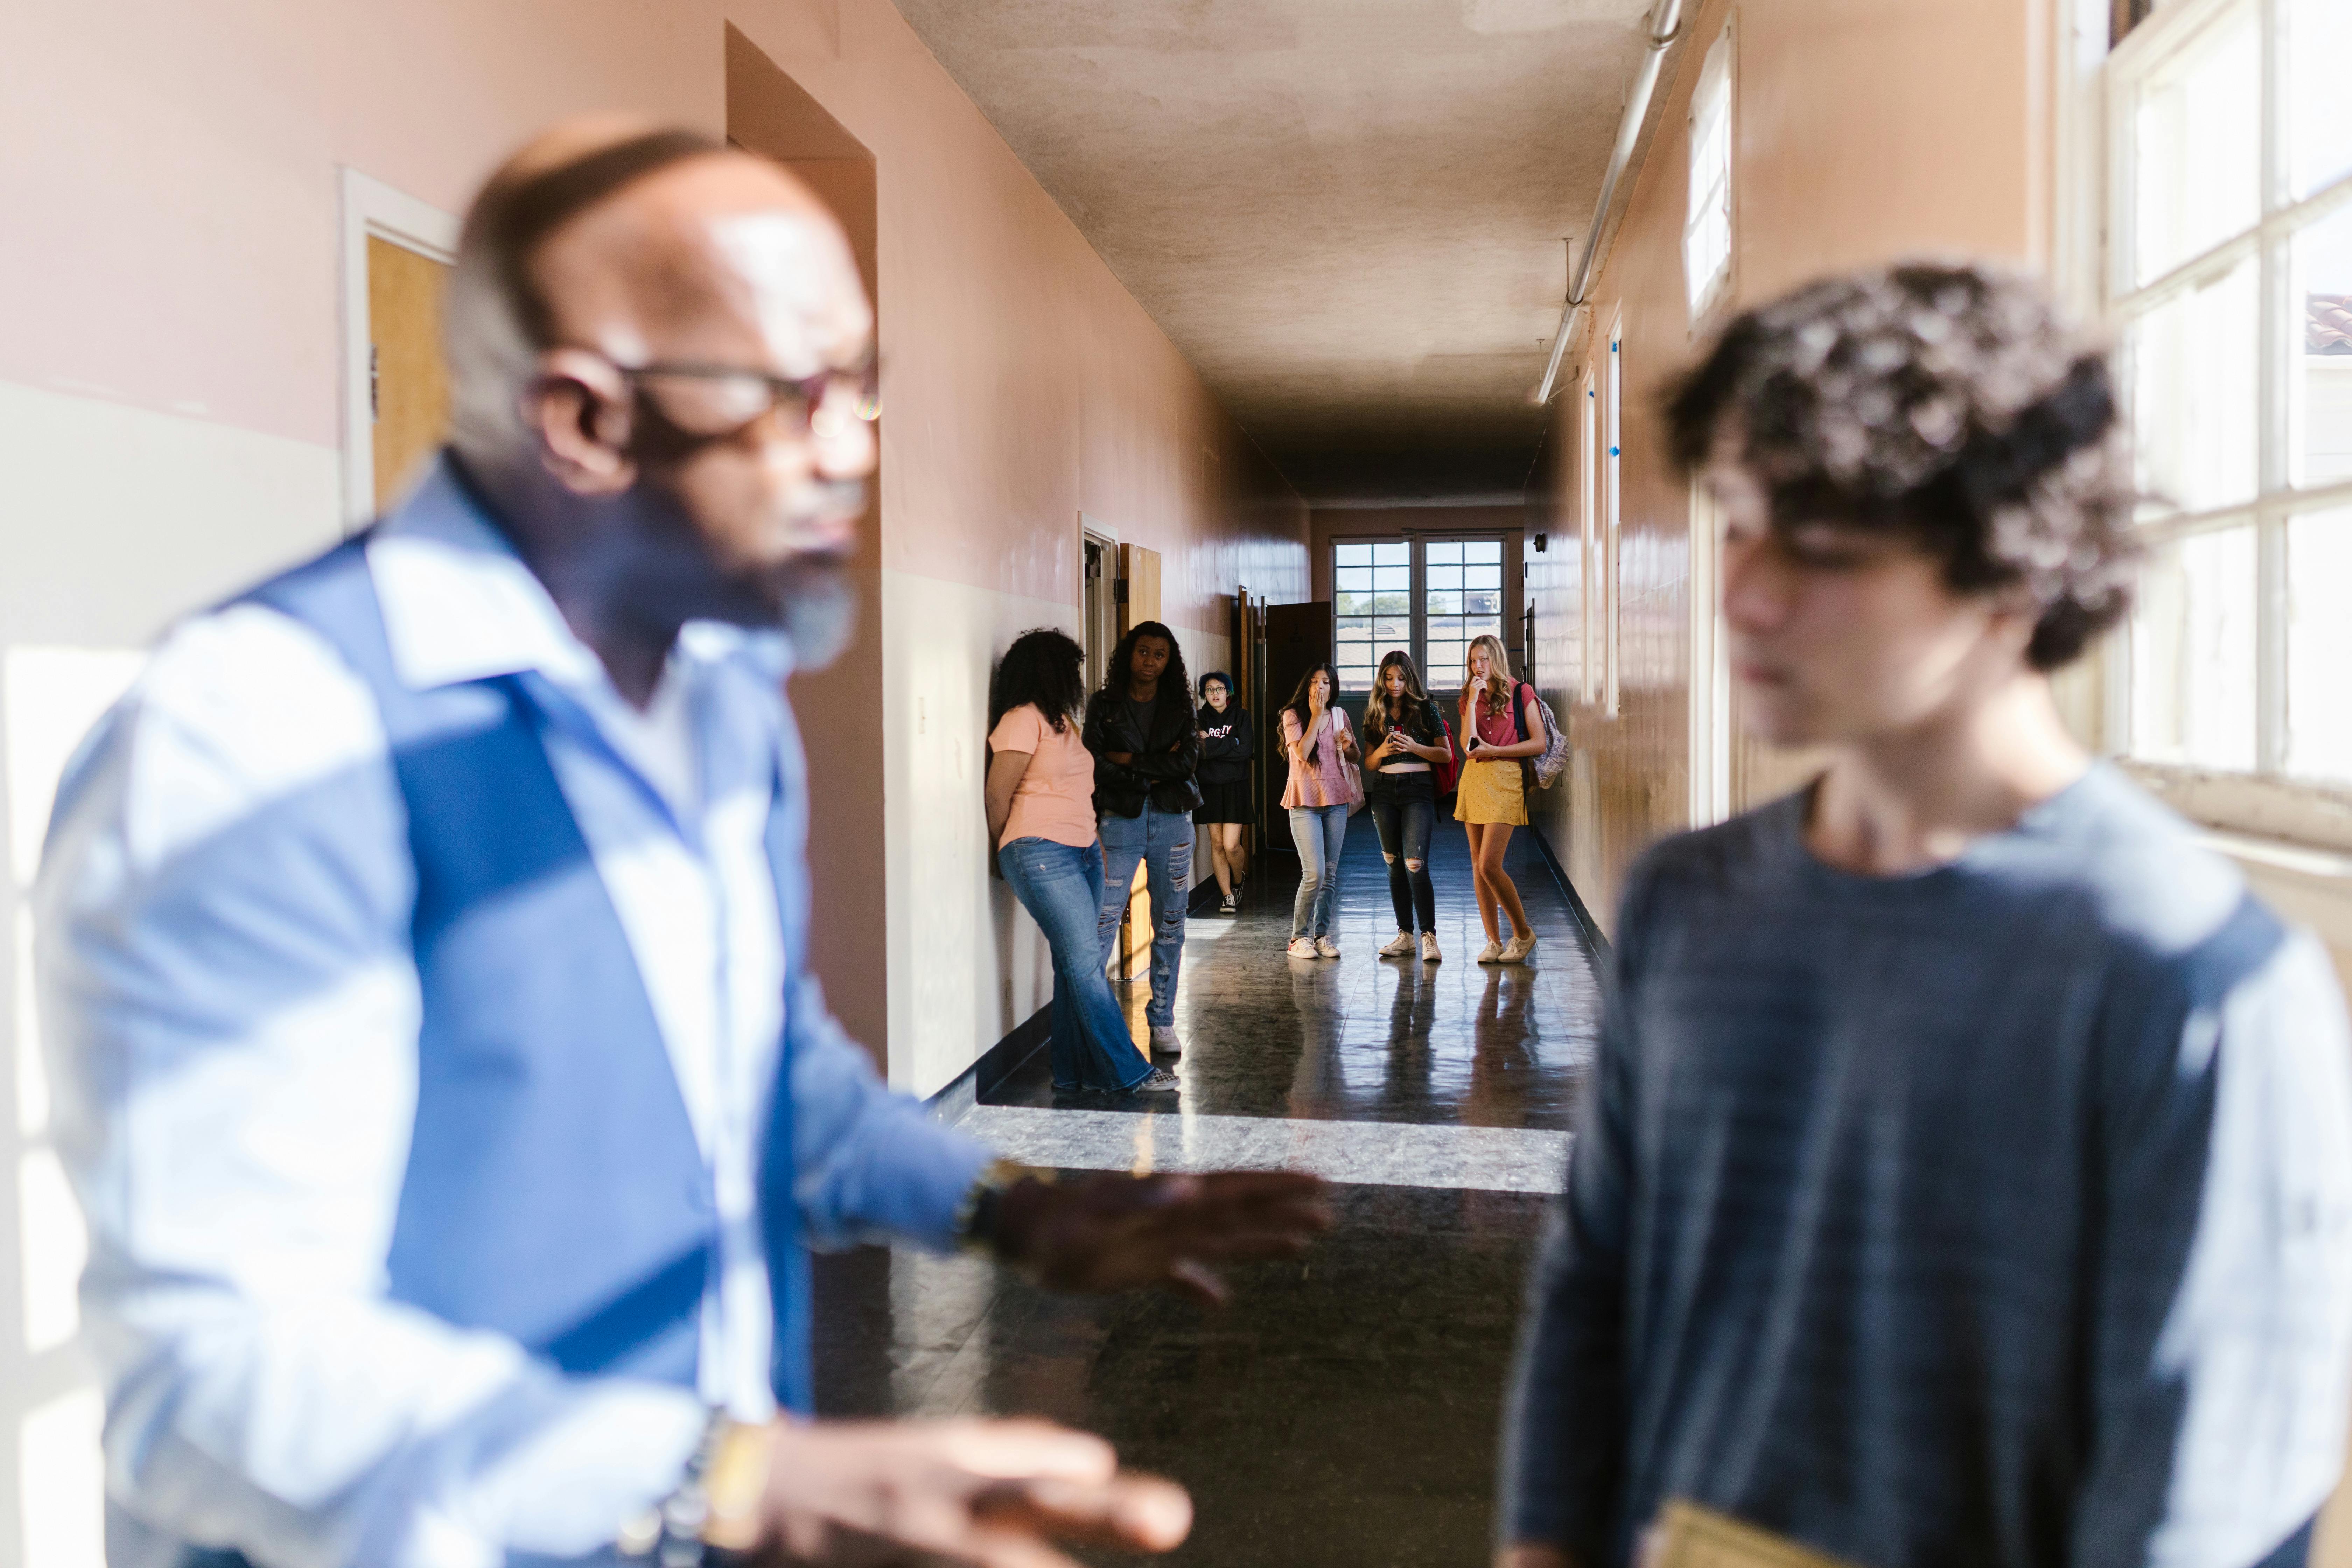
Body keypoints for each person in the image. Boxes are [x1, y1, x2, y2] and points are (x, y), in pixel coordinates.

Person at [34, 119, 1335, 1568]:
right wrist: (752, 1488)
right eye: (802, 394)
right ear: (584, 419)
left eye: (869, 393)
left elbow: (767, 1076)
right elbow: (213, 1379)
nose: (859, 451)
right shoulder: (267, 738)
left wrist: (1022, 1215)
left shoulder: (715, 710)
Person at [1498, 264, 2352, 1568]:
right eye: (1734, 524)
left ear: (2011, 568)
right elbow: (1596, 1283)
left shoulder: (2186, 981)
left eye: (1821, 547)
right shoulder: (1687, 903)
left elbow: (2196, 1509)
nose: (1743, 594)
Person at [987, 629, 1175, 1094]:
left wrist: (1096, 844)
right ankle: (1129, 1071)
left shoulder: (1062, 724)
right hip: (1038, 850)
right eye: (1069, 668)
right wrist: (1002, 850)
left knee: (1073, 965)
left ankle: (1073, 1074)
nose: (1076, 677)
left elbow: (1078, 790)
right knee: (1086, 964)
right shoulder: (1020, 720)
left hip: (1083, 851)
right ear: (1046, 671)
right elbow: (997, 795)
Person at [1083, 621, 1201, 1060]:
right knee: (1102, 922)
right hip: (1120, 822)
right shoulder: (1105, 704)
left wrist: (1130, 761)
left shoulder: (1180, 704)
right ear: (1129, 654)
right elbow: (1094, 764)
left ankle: (1163, 1019)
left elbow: (1187, 762)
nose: (1150, 661)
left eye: (1160, 655)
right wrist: (1155, 765)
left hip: (1173, 820)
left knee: (1170, 923)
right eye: (1143, 652)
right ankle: (1096, 1025)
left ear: (1169, 662)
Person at [1455, 634, 1544, 964]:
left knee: (1490, 864)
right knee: (1478, 866)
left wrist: (1498, 751)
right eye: (1473, 661)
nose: (1478, 667)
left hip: (1507, 777)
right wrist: (1473, 702)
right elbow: (1467, 745)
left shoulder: (1521, 692)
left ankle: (1522, 934)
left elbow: (1539, 743)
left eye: (1484, 660)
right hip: (1476, 777)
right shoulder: (1470, 695)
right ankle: (1493, 941)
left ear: (1496, 659)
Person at [1360, 649, 1451, 962]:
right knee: (1393, 863)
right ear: (1382, 680)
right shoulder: (1375, 711)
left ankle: (1429, 936)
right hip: (1384, 791)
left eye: (1400, 678)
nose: (1395, 684)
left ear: (1409, 677)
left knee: (1415, 863)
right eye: (1388, 678)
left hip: (1418, 790)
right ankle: (1405, 935)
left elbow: (1447, 754)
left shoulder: (1426, 708)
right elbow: (1369, 764)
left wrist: (1415, 747)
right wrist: (1383, 751)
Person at [1279, 660, 1358, 959]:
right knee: (1314, 872)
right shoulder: (1293, 716)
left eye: (1326, 682)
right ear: (1307, 686)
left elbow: (1355, 756)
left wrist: (1349, 746)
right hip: (1304, 801)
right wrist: (1314, 717)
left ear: (1333, 686)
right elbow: (1301, 752)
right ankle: (1298, 938)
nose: (1320, 687)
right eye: (1314, 681)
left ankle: (1322, 934)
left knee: (1331, 874)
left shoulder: (1339, 715)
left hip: (1336, 798)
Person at [1195, 670, 1254, 913]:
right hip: (1209, 786)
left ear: (1228, 691)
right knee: (1217, 844)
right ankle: (1227, 895)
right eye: (1209, 690)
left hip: (1235, 785)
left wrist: (1213, 744)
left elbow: (1247, 751)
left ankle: (1238, 880)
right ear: (1204, 694)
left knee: (1232, 845)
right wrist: (1232, 743)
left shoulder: (1241, 717)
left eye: (1219, 689)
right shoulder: (1198, 718)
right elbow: (1199, 752)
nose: (1215, 694)